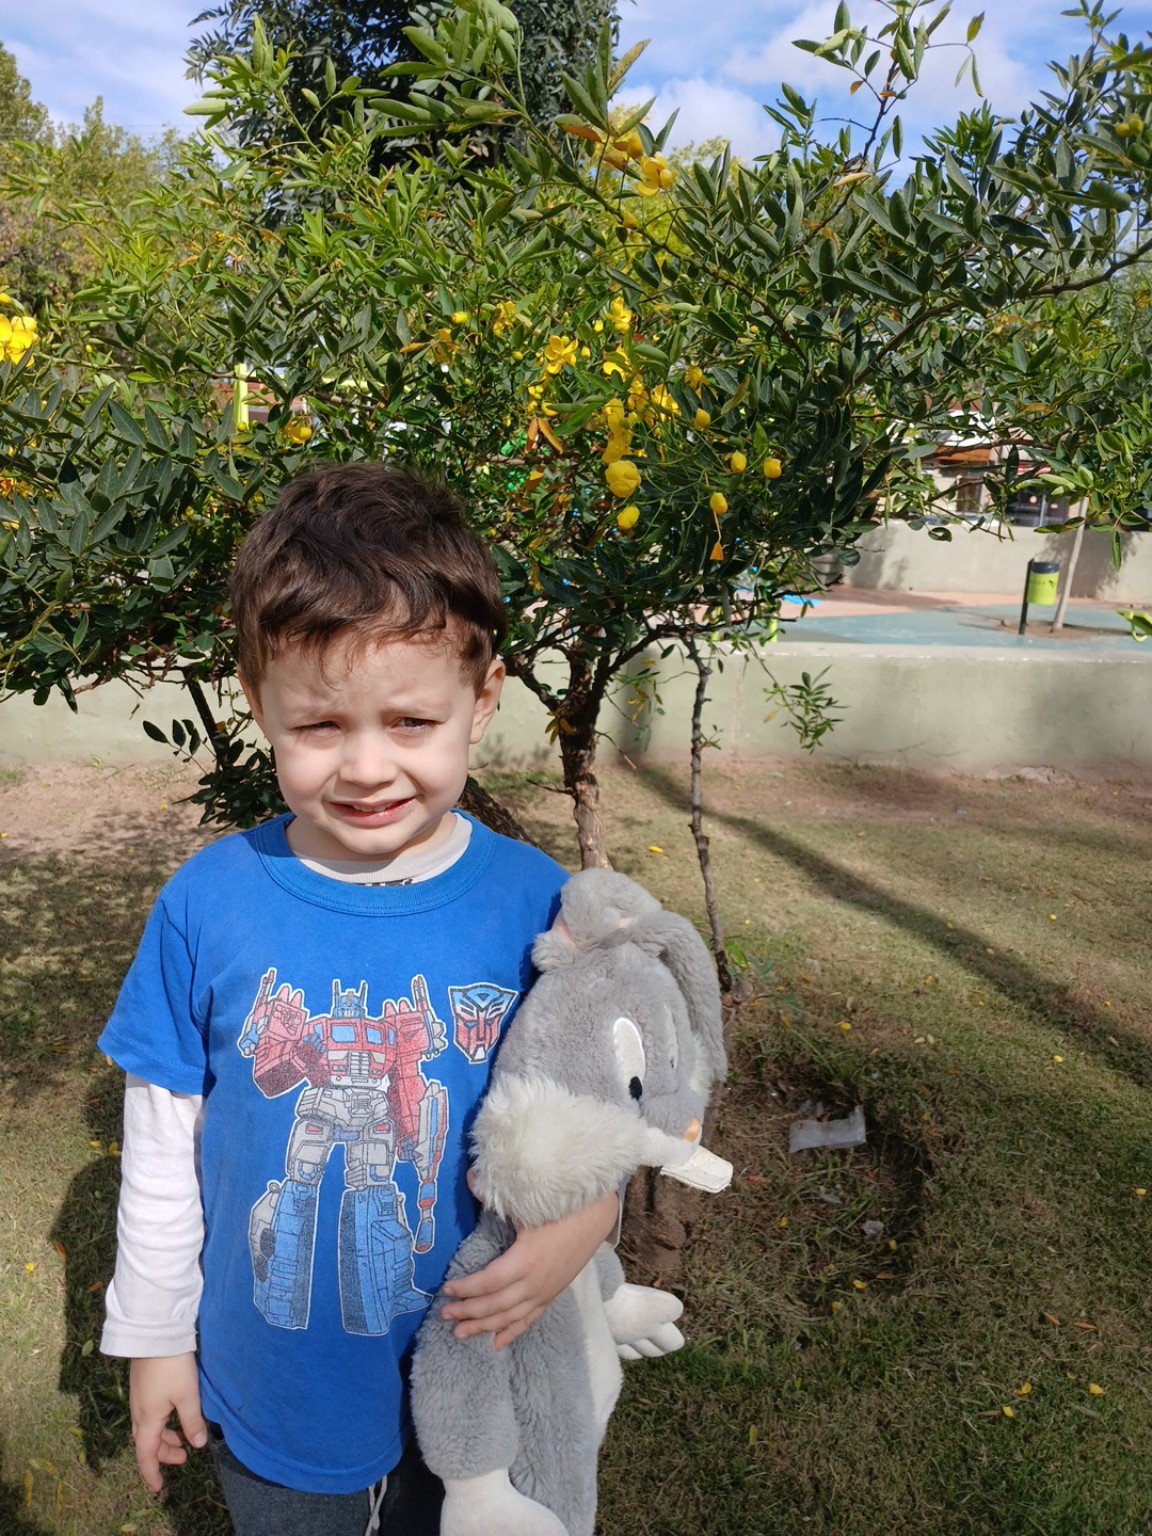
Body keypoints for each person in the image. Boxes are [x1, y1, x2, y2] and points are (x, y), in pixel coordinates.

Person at [98, 462, 619, 1536]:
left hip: (485, 1382)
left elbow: (615, 1107)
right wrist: (153, 1337)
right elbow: (160, 1144)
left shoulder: (545, 909)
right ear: (259, 703)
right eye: (322, 727)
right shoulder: (209, 904)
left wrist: (592, 1222)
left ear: (482, 699)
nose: (368, 767)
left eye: (411, 722)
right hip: (279, 1397)